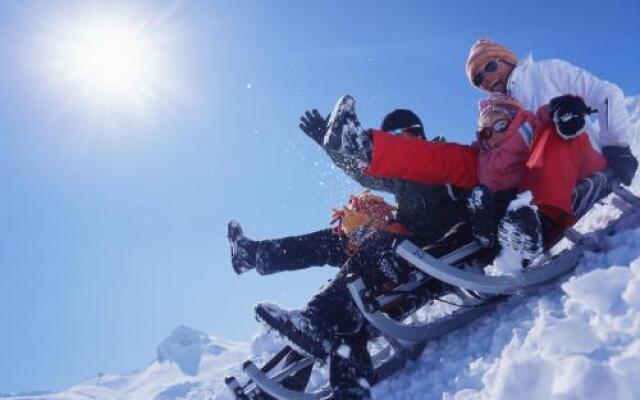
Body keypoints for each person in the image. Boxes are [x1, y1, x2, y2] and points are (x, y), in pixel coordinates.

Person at [250, 93, 546, 399]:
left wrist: (486, 218)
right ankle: (321, 386)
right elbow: (360, 169)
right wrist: (328, 143)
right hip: (401, 255)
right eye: (390, 138)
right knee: (348, 302)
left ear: (417, 134)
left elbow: (486, 188)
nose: (397, 142)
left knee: (366, 263)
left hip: (429, 257)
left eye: (402, 136)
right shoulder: (399, 178)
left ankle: (313, 322)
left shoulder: (445, 159)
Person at [464, 38, 638, 265]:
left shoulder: (545, 71)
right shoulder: (498, 111)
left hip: (580, 156)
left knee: (550, 129)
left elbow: (606, 92)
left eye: (490, 66)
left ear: (506, 59)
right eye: (478, 78)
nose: (486, 77)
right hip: (537, 181)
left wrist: (617, 144)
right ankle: (509, 232)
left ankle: (539, 222)